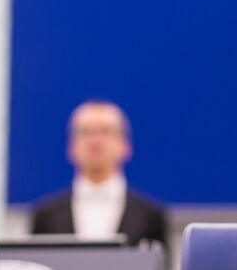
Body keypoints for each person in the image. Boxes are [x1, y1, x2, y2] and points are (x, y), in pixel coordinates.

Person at [31, 99, 168, 247]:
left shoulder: (151, 216)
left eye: (106, 131)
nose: (95, 140)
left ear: (125, 146)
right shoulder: (45, 215)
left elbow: (161, 267)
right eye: (85, 132)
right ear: (70, 147)